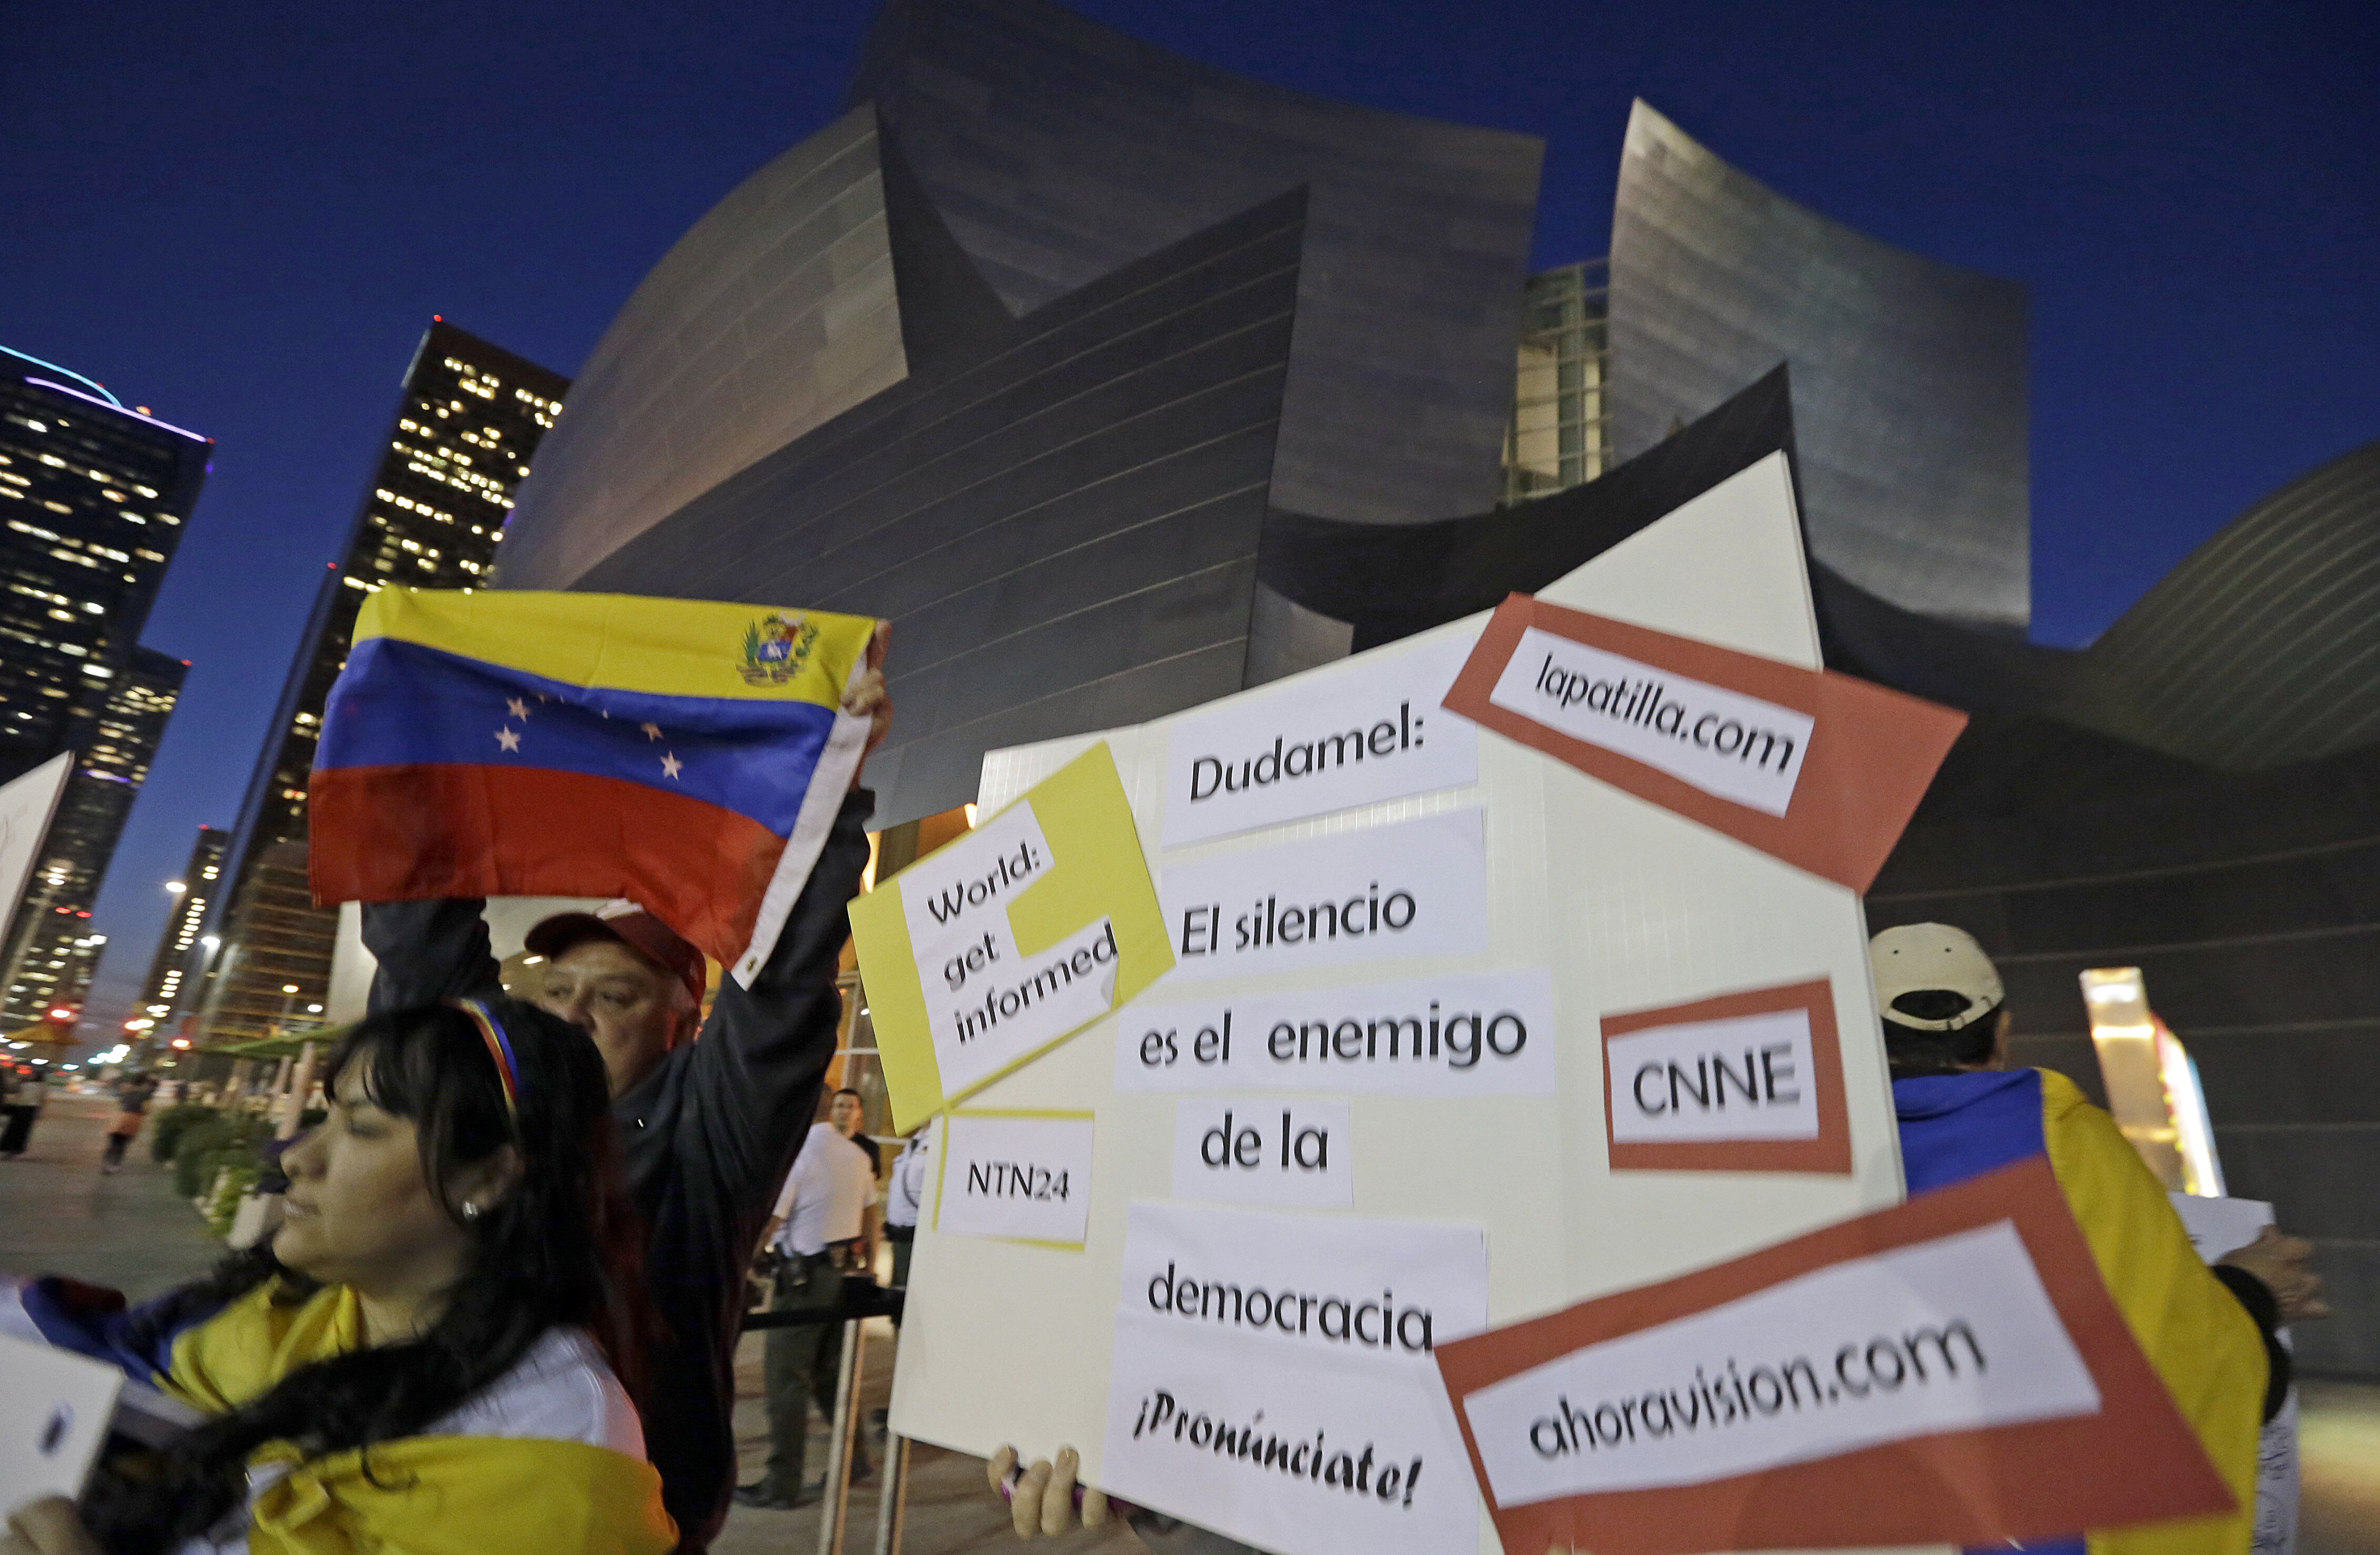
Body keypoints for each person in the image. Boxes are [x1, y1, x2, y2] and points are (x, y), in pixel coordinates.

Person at [359, 624, 890, 1550]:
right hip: (436, 1497)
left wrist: (826, 795)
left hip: (623, 1516)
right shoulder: (493, 1091)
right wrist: (417, 753)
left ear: (680, 1023)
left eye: (612, 996)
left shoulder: (707, 1136)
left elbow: (781, 994)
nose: (571, 1014)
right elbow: (422, 953)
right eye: (556, 989)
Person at [0, 998, 674, 1555]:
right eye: (324, 1116)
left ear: (491, 1175)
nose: (299, 1155)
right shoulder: (274, 1317)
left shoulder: (557, 1467)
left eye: (363, 1127)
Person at [1871, 923, 2325, 1555]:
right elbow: (2173, 1361)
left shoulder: (1819, 1160)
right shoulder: (2070, 1145)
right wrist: (2250, 1290)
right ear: (2002, 1034)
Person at [736, 1110, 877, 1509]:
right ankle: (855, 1459)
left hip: (802, 1283)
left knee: (786, 1380)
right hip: (838, 1277)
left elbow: (770, 1223)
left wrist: (744, 1262)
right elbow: (870, 1214)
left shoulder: (799, 1157)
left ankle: (782, 1482)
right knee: (829, 1377)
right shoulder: (856, 1155)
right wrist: (865, 1266)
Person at [882, 1124, 930, 1290]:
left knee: (908, 1295)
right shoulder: (916, 1140)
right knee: (897, 1293)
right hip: (899, 1235)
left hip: (916, 1235)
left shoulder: (938, 1138)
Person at [99, 1072, 158, 1174]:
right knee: (123, 1144)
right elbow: (154, 1088)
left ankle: (107, 1163)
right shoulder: (145, 1093)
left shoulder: (126, 1089)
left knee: (114, 1142)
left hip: (121, 1117)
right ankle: (115, 1164)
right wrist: (152, 1080)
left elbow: (116, 1090)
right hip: (134, 1119)